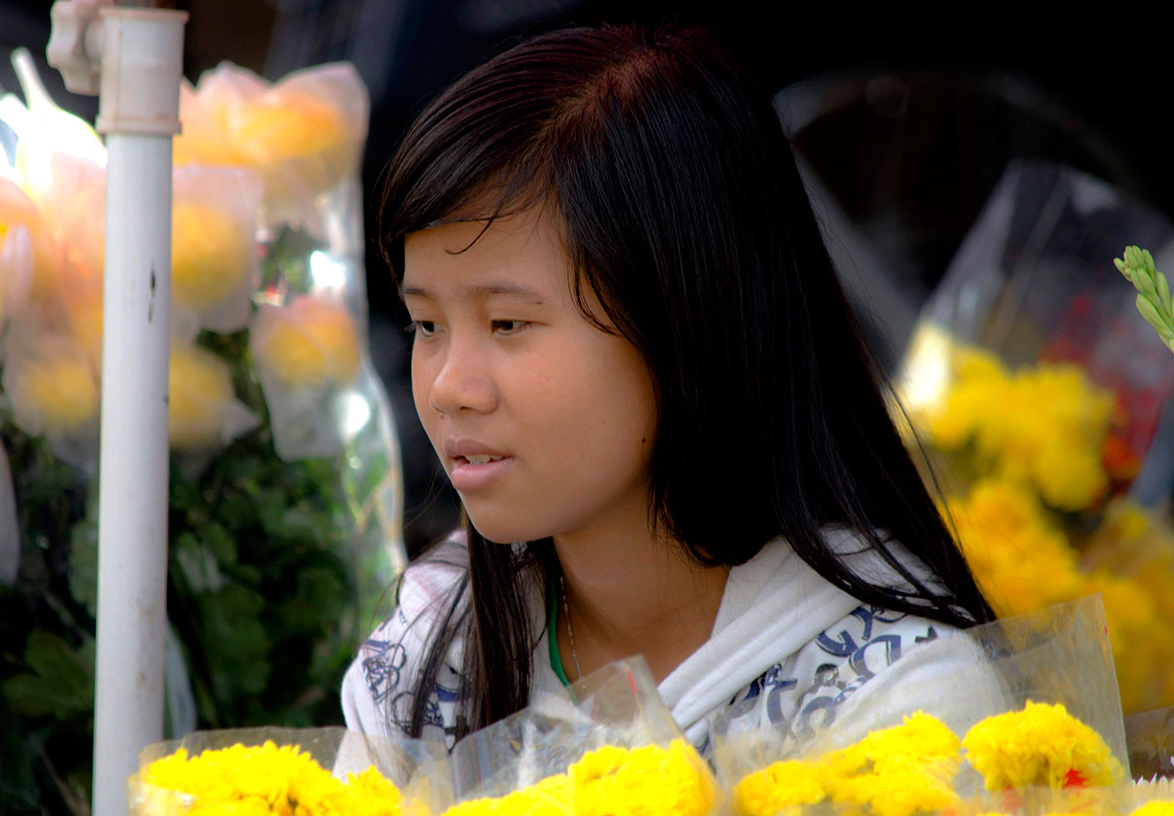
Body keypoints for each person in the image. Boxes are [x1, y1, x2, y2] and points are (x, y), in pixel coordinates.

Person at [341, 23, 997, 757]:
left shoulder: (895, 700)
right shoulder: (429, 655)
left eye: (507, 323)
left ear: (687, 319)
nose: (448, 388)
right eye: (426, 325)